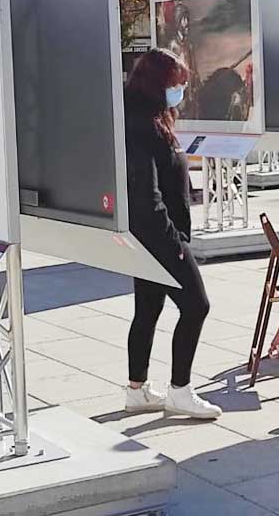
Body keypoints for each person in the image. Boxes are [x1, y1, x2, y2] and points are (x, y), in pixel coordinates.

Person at [121, 48, 222, 420]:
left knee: (148, 307)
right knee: (196, 305)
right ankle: (180, 390)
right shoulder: (140, 125)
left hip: (156, 234)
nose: (180, 89)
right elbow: (146, 196)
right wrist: (173, 244)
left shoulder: (151, 118)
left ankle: (137, 389)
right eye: (176, 83)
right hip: (158, 235)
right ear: (157, 82)